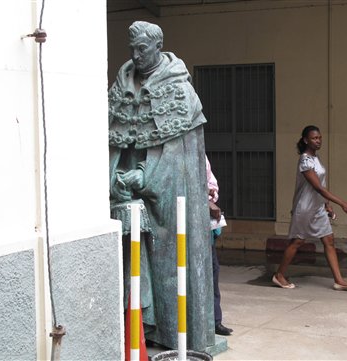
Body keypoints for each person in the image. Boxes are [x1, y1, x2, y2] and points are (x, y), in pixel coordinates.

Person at [108, 21, 214, 351]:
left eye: (143, 48)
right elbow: (112, 144)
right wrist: (117, 176)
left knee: (171, 267)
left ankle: (171, 335)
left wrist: (147, 175)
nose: (136, 55)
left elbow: (179, 156)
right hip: (125, 196)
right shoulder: (119, 88)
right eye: (132, 48)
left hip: (167, 202)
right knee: (131, 265)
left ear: (158, 46)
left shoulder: (180, 91)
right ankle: (137, 333)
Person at [273, 125, 347, 291]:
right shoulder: (305, 160)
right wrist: (343, 203)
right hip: (304, 208)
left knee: (329, 240)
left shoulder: (316, 158)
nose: (318, 140)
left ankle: (339, 280)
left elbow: (322, 185)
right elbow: (318, 188)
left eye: (319, 137)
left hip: (317, 207)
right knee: (297, 242)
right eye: (314, 138)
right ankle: (279, 275)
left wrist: (327, 205)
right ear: (306, 140)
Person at [206, 157, 233, 336]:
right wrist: (207, 199)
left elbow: (212, 184)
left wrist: (210, 195)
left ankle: (215, 321)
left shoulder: (201, 155)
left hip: (207, 226)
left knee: (213, 270)